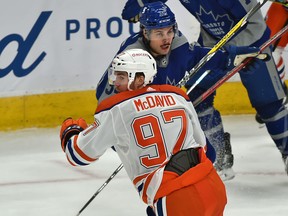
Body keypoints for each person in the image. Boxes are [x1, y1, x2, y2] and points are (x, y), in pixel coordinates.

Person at [97, 1, 265, 181]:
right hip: (139, 125)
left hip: (164, 115)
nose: (166, 38)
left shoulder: (177, 42)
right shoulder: (131, 59)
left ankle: (213, 166)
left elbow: (198, 57)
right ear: (145, 33)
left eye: (169, 31)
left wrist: (232, 58)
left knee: (205, 147)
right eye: (158, 33)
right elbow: (106, 104)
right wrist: (126, 145)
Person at [60, 48, 227, 215]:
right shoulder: (178, 96)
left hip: (176, 197)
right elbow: (206, 151)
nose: (115, 82)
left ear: (140, 79)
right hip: (212, 186)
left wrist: (71, 131)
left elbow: (78, 155)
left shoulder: (116, 108)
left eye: (122, 77)